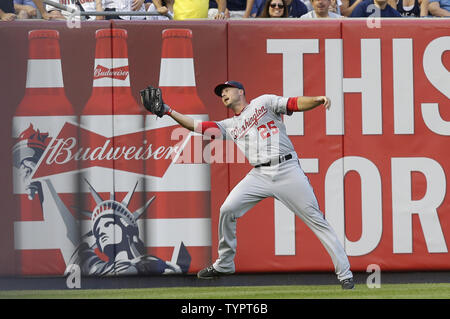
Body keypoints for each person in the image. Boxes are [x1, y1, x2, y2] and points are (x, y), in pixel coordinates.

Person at [141, 81, 355, 289]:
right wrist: (168, 111)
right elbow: (196, 126)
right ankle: (224, 264)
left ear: (240, 91)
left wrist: (317, 100)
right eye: (221, 92)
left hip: (287, 168)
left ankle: (345, 274)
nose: (223, 94)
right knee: (227, 209)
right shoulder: (229, 126)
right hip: (259, 174)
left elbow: (293, 103)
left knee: (317, 220)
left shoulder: (263, 102)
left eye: (227, 90)